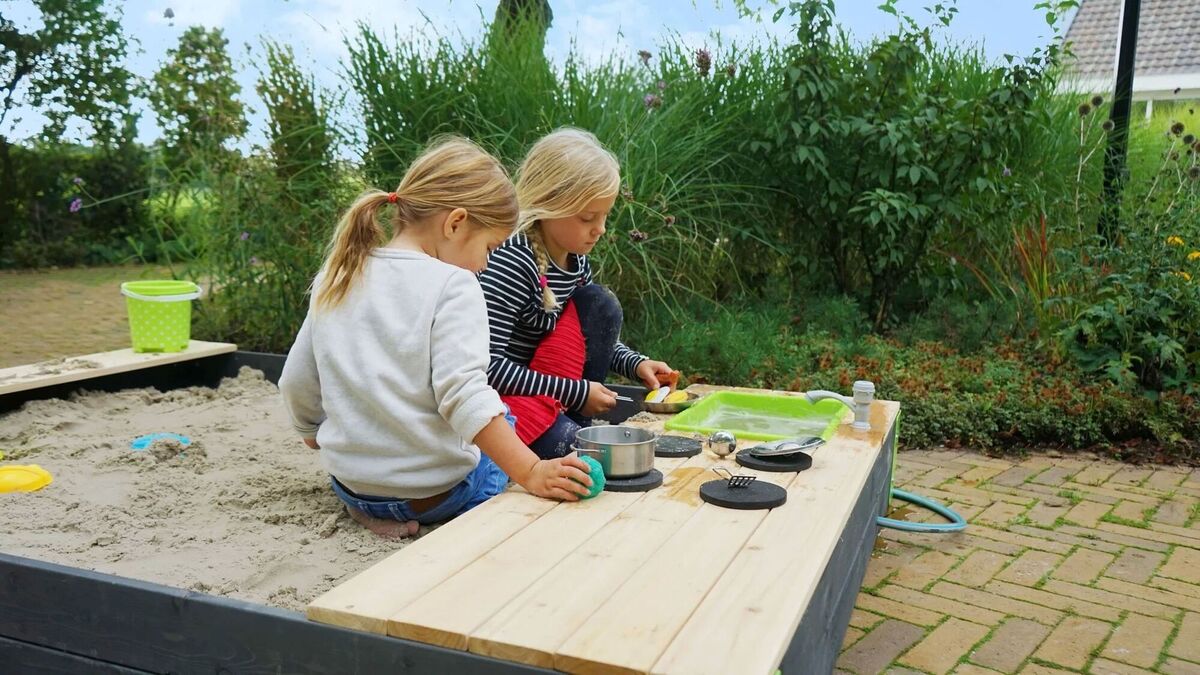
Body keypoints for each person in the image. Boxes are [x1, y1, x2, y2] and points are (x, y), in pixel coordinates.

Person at [279, 137, 591, 539]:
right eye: (490, 247)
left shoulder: (337, 275)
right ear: (455, 222)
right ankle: (441, 510)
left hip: (353, 486)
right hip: (434, 495)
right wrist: (531, 471)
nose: (486, 263)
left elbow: (295, 379)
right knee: (503, 422)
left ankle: (371, 513)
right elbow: (464, 396)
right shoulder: (454, 284)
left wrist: (308, 429)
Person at [478, 128, 674, 459]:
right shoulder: (512, 259)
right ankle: (568, 428)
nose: (600, 229)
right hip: (505, 406)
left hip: (554, 393)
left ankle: (575, 422)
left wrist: (635, 364)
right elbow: (486, 368)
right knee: (584, 450)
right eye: (587, 218)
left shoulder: (576, 260)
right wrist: (576, 392)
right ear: (549, 203)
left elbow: (586, 340)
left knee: (600, 304)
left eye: (605, 215)